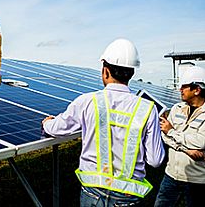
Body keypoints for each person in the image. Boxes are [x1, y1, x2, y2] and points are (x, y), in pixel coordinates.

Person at [42, 38, 165, 206]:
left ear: (105, 71)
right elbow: (156, 160)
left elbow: (57, 128)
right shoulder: (148, 109)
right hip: (128, 196)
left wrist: (47, 123)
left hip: (93, 192)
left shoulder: (87, 101)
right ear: (132, 73)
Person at [154, 65, 205, 207]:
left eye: (184, 87)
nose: (180, 90)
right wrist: (187, 150)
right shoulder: (177, 109)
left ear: (197, 90)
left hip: (197, 181)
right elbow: (165, 136)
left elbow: (200, 142)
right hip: (171, 175)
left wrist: (172, 132)